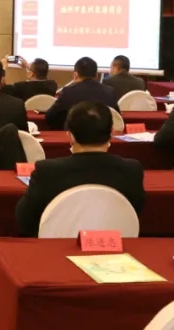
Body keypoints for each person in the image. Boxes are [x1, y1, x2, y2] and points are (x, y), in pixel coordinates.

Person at [15, 101, 145, 237]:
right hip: (114, 245)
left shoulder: (47, 171)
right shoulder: (132, 170)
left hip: (55, 245)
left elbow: (24, 220)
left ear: (71, 136)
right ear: (111, 132)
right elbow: (134, 213)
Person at [45, 57, 118, 130]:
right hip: (103, 134)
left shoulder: (68, 91)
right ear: (96, 74)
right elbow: (117, 117)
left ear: (75, 75)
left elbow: (50, 116)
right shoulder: (109, 91)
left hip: (76, 134)